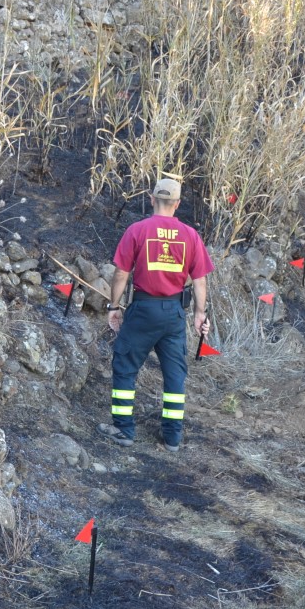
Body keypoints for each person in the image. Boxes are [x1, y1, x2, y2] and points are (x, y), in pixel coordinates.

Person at [100, 177, 214, 451]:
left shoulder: (138, 230)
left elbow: (120, 273)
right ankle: (172, 438)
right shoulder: (190, 235)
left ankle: (123, 429)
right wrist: (200, 314)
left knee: (125, 366)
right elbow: (199, 281)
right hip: (174, 312)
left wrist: (114, 307)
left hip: (143, 310)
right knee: (175, 374)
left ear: (152, 200)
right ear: (176, 204)